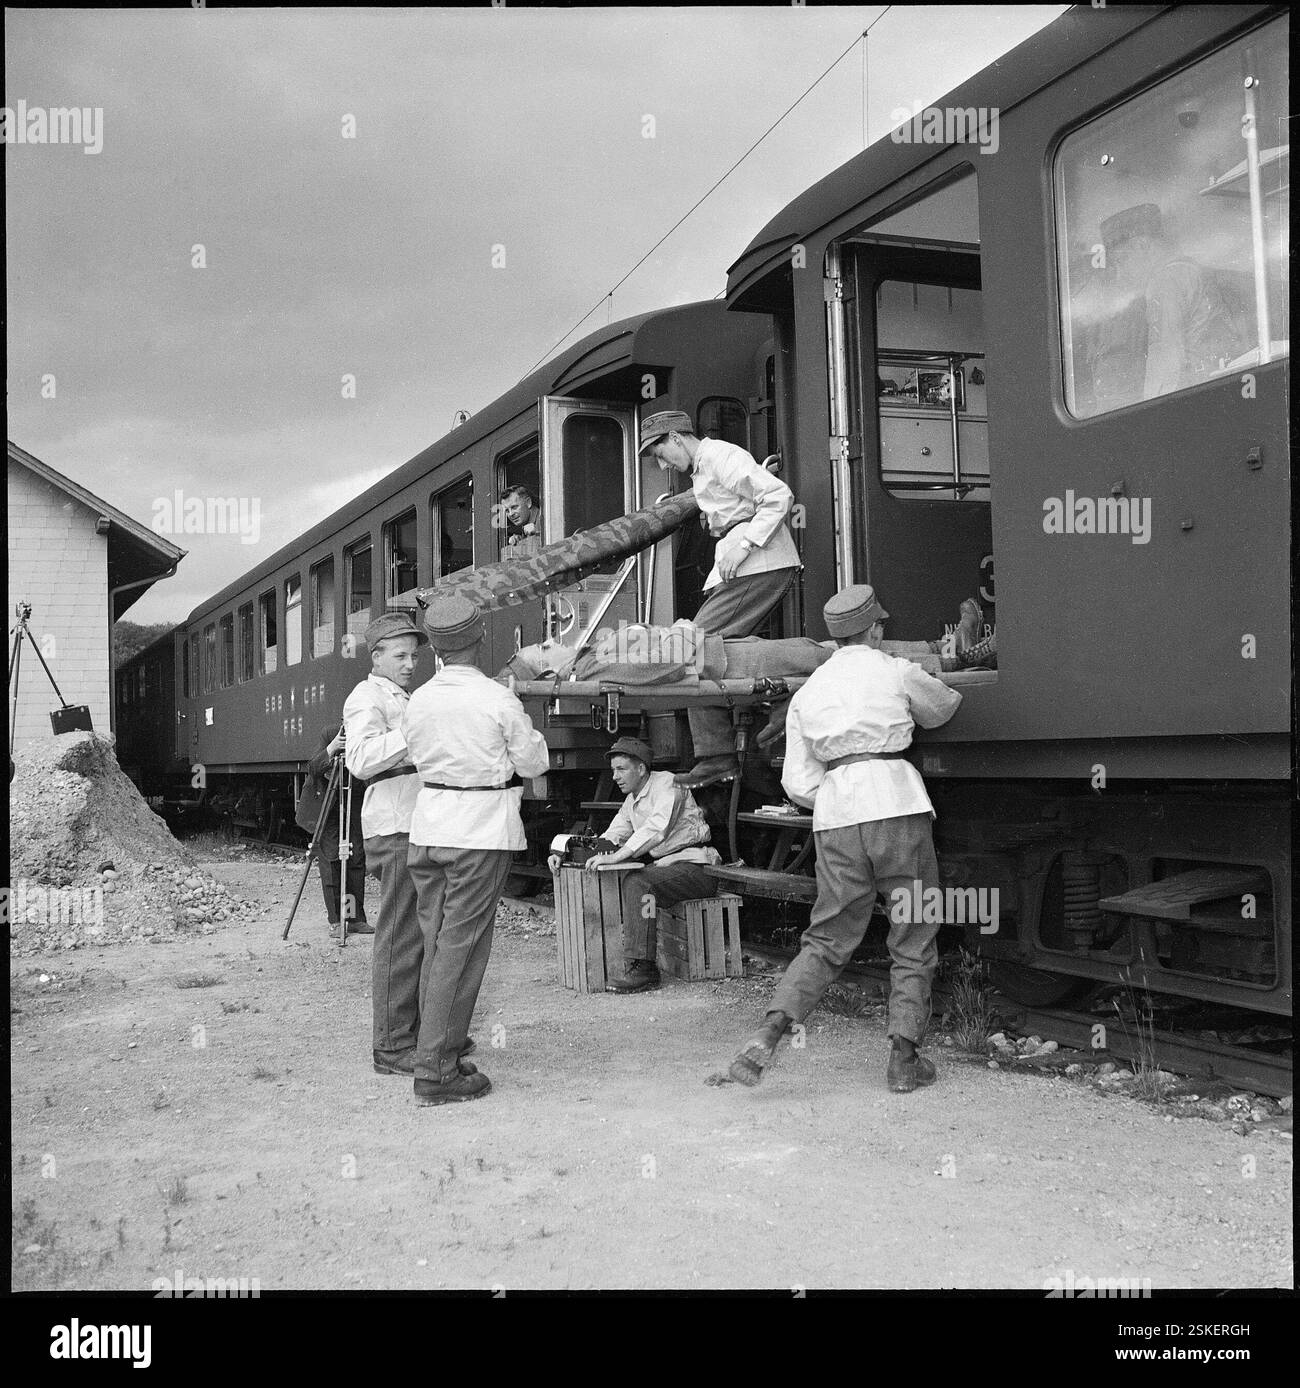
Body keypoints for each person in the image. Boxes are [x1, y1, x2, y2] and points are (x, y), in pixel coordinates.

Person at [727, 584, 963, 1095]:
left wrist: (835, 795)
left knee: (828, 938)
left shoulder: (808, 694)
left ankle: (769, 1033)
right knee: (913, 931)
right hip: (897, 806)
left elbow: (796, 783)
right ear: (876, 628)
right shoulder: (893, 669)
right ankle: (904, 1058)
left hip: (835, 819)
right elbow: (942, 707)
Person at [402, 594, 550, 1106]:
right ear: (480, 638)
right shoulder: (497, 699)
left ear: (435, 648)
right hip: (479, 834)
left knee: (436, 943)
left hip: (428, 830)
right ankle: (436, 1072)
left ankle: (435, 1047)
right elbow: (532, 766)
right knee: (460, 950)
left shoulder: (417, 700)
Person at [639, 410, 801, 785]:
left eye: (662, 451)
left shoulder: (718, 455)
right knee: (721, 650)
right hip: (752, 564)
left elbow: (778, 496)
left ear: (678, 437)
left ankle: (717, 756)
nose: (664, 463)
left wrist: (742, 546)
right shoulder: (707, 465)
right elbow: (742, 496)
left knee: (692, 647)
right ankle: (785, 698)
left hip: (756, 563)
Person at [549, 737, 721, 994]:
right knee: (640, 882)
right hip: (669, 868)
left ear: (641, 768)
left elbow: (657, 829)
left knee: (640, 883)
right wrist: (562, 851)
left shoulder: (668, 784)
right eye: (613, 771)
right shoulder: (632, 800)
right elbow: (610, 837)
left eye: (621, 769)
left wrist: (618, 857)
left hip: (697, 868)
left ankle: (645, 969)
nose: (615, 776)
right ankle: (639, 961)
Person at [343, 611, 427, 1077]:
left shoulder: (403, 695)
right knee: (399, 933)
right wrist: (412, 730)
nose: (411, 663)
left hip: (418, 822)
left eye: (414, 655)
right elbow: (359, 760)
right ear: (375, 657)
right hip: (394, 826)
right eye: (400, 655)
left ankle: (418, 1032)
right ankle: (393, 1047)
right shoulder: (366, 697)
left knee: (421, 930)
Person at [1102, 202, 1249, 399]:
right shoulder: (1187, 269)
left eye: (1121, 261)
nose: (1120, 274)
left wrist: (1150, 416)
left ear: (1142, 245)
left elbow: (1165, 360)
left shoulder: (1165, 281)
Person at [294, 721, 371, 936]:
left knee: (355, 861)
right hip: (328, 807)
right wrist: (333, 747)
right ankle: (336, 921)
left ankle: (354, 918)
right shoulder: (329, 733)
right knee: (332, 861)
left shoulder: (365, 732)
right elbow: (313, 767)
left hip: (353, 804)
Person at [501, 485, 542, 555]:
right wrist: (520, 540)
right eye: (507, 511)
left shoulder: (544, 519)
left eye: (514, 507)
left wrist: (539, 531)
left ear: (528, 503)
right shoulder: (526, 523)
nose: (510, 514)